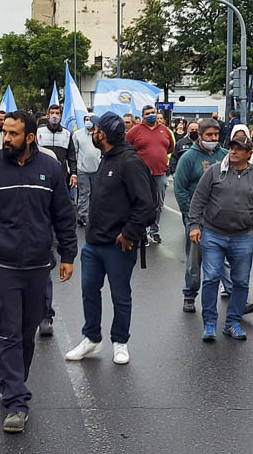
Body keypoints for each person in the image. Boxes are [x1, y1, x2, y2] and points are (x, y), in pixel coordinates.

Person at [0, 110, 77, 434]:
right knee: (8, 332)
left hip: (38, 266)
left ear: (30, 138)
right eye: (4, 132)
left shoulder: (50, 169)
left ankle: (11, 381)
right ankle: (16, 402)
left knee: (26, 333)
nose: (6, 139)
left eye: (13, 134)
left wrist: (68, 254)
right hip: (3, 266)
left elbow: (64, 214)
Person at [64, 112, 154, 364]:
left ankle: (120, 342)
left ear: (103, 134)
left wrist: (129, 234)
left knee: (120, 295)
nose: (92, 132)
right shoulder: (107, 158)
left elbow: (146, 205)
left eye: (95, 128)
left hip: (118, 246)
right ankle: (91, 339)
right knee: (89, 291)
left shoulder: (130, 162)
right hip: (93, 244)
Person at [189, 134, 253, 341]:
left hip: (242, 237)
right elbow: (198, 199)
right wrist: (194, 225)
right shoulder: (215, 172)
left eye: (239, 149)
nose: (233, 151)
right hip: (213, 234)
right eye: (232, 148)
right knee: (211, 279)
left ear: (249, 154)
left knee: (241, 282)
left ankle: (232, 323)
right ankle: (209, 324)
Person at [173, 118, 227, 313]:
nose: (214, 138)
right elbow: (180, 188)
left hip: (221, 219)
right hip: (197, 219)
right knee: (194, 261)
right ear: (201, 136)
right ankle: (189, 294)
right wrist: (190, 215)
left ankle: (232, 292)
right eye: (209, 135)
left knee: (224, 259)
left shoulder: (225, 155)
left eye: (216, 135)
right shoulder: (189, 158)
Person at [126, 104, 174, 244]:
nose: (151, 115)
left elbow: (170, 148)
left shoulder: (165, 130)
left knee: (158, 204)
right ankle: (142, 232)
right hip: (141, 175)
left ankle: (154, 231)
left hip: (160, 173)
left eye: (153, 112)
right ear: (142, 116)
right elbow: (126, 148)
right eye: (147, 113)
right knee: (142, 204)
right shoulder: (135, 131)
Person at [36, 104, 78, 191]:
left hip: (61, 173)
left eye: (57, 113)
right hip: (42, 172)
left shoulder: (67, 133)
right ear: (47, 115)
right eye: (52, 113)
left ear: (61, 115)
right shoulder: (39, 131)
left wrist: (73, 174)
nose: (54, 116)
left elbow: (71, 155)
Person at [73, 113, 101, 226]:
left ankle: (94, 215)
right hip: (82, 169)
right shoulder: (77, 134)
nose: (88, 121)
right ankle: (82, 215)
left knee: (96, 193)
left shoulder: (99, 134)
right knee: (84, 193)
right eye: (86, 119)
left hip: (97, 169)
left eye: (90, 119)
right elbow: (74, 151)